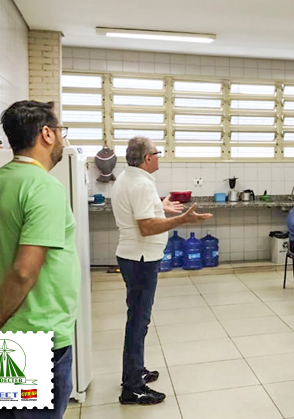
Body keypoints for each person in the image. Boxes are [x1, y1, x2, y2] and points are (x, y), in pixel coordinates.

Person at [0, 100, 77, 418]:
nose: (62, 139)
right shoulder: (43, 188)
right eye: (61, 131)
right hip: (35, 339)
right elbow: (25, 270)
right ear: (47, 134)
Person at [112, 137, 212, 405]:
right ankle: (132, 387)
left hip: (132, 257)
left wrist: (160, 207)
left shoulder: (127, 178)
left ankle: (136, 370)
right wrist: (181, 219)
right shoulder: (142, 183)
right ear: (146, 158)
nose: (159, 157)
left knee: (138, 319)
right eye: (156, 153)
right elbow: (145, 227)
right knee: (138, 321)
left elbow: (141, 212)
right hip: (141, 259)